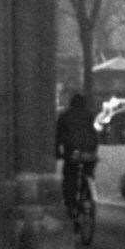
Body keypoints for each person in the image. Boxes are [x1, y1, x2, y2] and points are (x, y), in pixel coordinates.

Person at [54, 90, 98, 225]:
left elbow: (58, 136)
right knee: (88, 172)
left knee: (70, 175)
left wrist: (57, 152)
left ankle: (72, 204)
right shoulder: (89, 115)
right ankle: (88, 190)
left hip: (74, 152)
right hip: (90, 152)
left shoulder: (64, 116)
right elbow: (93, 134)